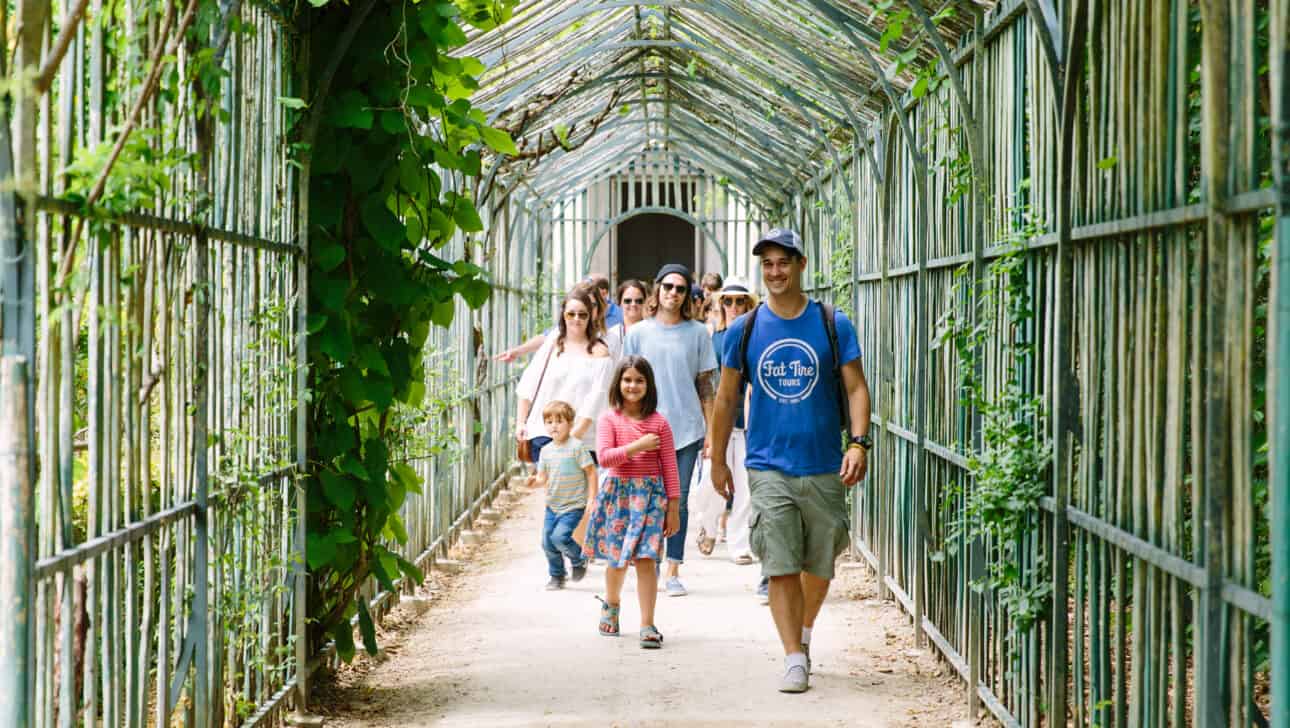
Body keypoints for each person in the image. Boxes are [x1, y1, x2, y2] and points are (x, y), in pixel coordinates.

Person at [709, 228, 872, 694]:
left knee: (820, 564)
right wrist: (718, 459)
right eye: (767, 264)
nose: (775, 272)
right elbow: (724, 400)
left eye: (783, 262)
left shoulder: (830, 322)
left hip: (823, 463)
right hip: (767, 464)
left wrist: (859, 442)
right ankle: (793, 657)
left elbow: (856, 387)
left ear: (801, 264)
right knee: (779, 564)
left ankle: (803, 631)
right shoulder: (744, 330)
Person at [622, 263, 718, 597]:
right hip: (645, 429)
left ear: (687, 294)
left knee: (677, 500)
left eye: (680, 289)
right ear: (657, 289)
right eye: (668, 287)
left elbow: (707, 386)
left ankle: (674, 567)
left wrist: (710, 433)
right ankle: (652, 560)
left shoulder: (697, 334)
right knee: (649, 498)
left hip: (687, 428)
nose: (673, 293)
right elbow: (625, 384)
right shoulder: (638, 333)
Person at [584, 356, 681, 648]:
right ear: (618, 383)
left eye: (640, 380)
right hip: (619, 497)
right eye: (627, 379)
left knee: (647, 560)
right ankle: (611, 605)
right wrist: (638, 446)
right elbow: (604, 457)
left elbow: (670, 467)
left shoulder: (659, 423)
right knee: (617, 559)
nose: (633, 385)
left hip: (651, 498)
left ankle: (647, 623)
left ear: (649, 385)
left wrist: (674, 508)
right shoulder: (608, 419)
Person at [691, 279, 758, 563]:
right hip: (718, 420)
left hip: (747, 420)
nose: (733, 306)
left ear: (748, 305)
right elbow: (704, 381)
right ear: (720, 305)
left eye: (740, 301)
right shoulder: (712, 337)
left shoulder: (756, 336)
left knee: (744, 484)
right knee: (709, 480)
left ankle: (739, 543)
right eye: (728, 301)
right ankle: (707, 526)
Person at [515, 287, 613, 466]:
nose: (576, 319)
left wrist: (569, 442)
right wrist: (520, 423)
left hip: (584, 441)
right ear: (563, 315)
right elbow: (528, 383)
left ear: (590, 316)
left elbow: (594, 403)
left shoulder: (601, 353)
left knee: (577, 494)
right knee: (552, 493)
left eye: (582, 314)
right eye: (571, 314)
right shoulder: (552, 344)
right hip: (544, 434)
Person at [532, 400, 596, 590]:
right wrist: (533, 482)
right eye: (549, 422)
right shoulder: (545, 451)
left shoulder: (577, 447)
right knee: (547, 543)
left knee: (560, 537)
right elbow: (542, 478)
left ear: (570, 424)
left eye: (559, 421)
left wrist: (592, 498)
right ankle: (557, 575)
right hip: (553, 505)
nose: (554, 426)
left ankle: (579, 559)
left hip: (574, 504)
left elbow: (591, 471)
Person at [494, 273, 619, 363]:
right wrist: (518, 351)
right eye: (574, 310)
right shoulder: (557, 337)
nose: (583, 311)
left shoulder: (612, 336)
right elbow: (544, 337)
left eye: (590, 305)